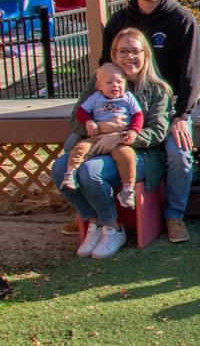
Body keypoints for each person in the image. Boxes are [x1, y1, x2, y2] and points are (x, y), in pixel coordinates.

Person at [100, 0, 200, 243]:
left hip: (169, 107)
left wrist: (182, 116)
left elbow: (192, 72)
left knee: (180, 155)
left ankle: (174, 216)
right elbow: (105, 65)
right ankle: (98, 216)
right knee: (91, 145)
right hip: (124, 105)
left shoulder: (181, 19)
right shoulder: (120, 21)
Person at [54, 29, 172, 260]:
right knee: (60, 168)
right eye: (123, 51)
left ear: (145, 54)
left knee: (91, 172)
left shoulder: (157, 89)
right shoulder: (100, 80)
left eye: (135, 51)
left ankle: (113, 229)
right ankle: (96, 222)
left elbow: (157, 132)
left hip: (137, 154)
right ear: (114, 54)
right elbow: (75, 118)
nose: (129, 57)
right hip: (96, 144)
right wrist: (99, 128)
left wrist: (120, 136)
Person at [61, 64, 143, 208]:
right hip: (97, 137)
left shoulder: (128, 98)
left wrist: (133, 131)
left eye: (119, 82)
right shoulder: (96, 98)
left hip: (120, 139)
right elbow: (81, 111)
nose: (115, 85)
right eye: (109, 82)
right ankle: (70, 175)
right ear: (99, 86)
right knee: (80, 148)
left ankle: (127, 190)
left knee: (128, 157)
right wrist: (89, 121)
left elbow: (138, 115)